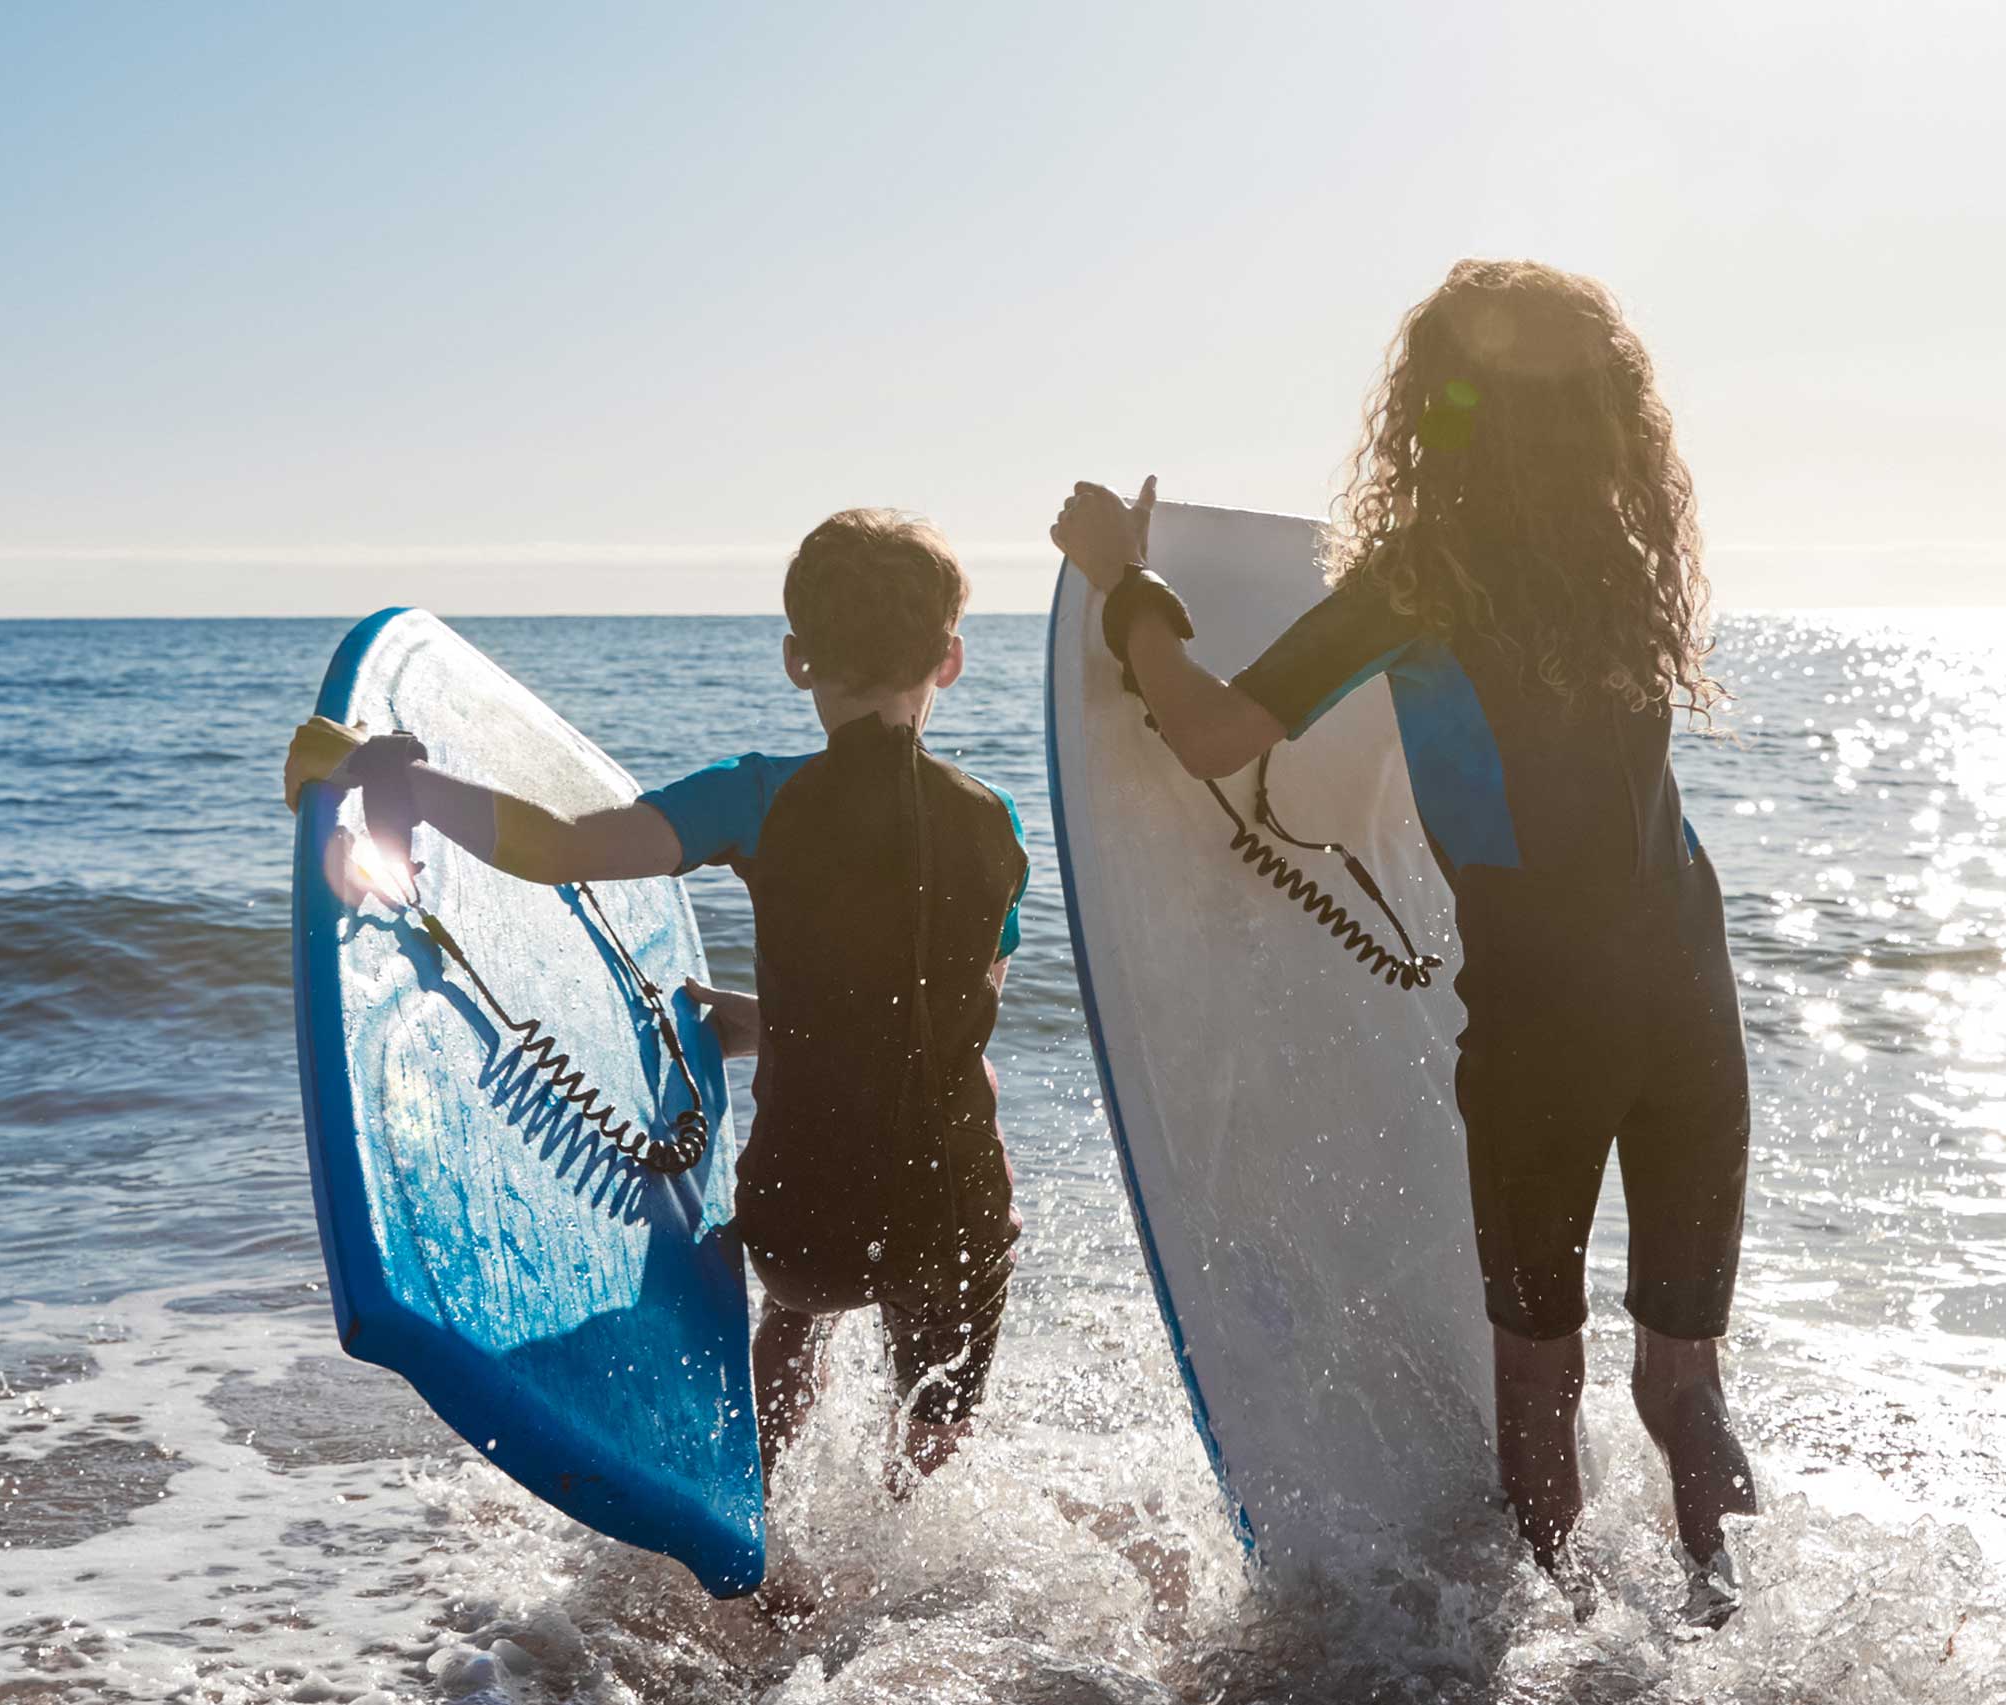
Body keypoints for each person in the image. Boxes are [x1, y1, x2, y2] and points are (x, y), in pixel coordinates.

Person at [1051, 259, 1758, 1618]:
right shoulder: (1626, 565)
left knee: (1541, 1380)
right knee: (1682, 1383)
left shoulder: (1422, 580)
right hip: (1692, 999)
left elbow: (1210, 737)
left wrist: (1126, 587)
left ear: (1430, 409)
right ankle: (1731, 1622)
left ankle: (1560, 1642)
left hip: (1546, 1028)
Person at [283, 509, 1030, 1496]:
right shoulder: (995, 821)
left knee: (797, 1311)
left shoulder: (757, 796)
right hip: (958, 1209)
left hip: (810, 1215)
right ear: (952, 658)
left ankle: (761, 1540)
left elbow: (557, 849)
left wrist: (393, 774)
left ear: (797, 659)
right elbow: (943, 1021)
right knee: (931, 1443)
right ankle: (912, 1556)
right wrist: (772, 1021)